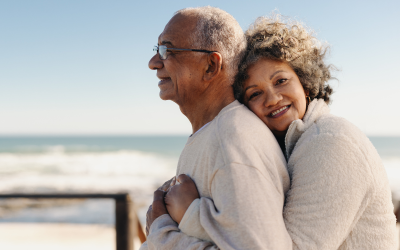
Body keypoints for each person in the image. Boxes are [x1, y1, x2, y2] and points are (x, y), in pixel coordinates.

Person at [166, 15, 398, 249]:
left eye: (281, 81)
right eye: (254, 94)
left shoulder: (330, 142)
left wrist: (191, 214)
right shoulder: (293, 145)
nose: (273, 99)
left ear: (305, 84)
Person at [140, 7, 293, 250]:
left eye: (167, 50)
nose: (153, 63)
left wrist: (160, 235)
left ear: (211, 65)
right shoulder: (215, 132)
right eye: (156, 49)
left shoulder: (233, 139)